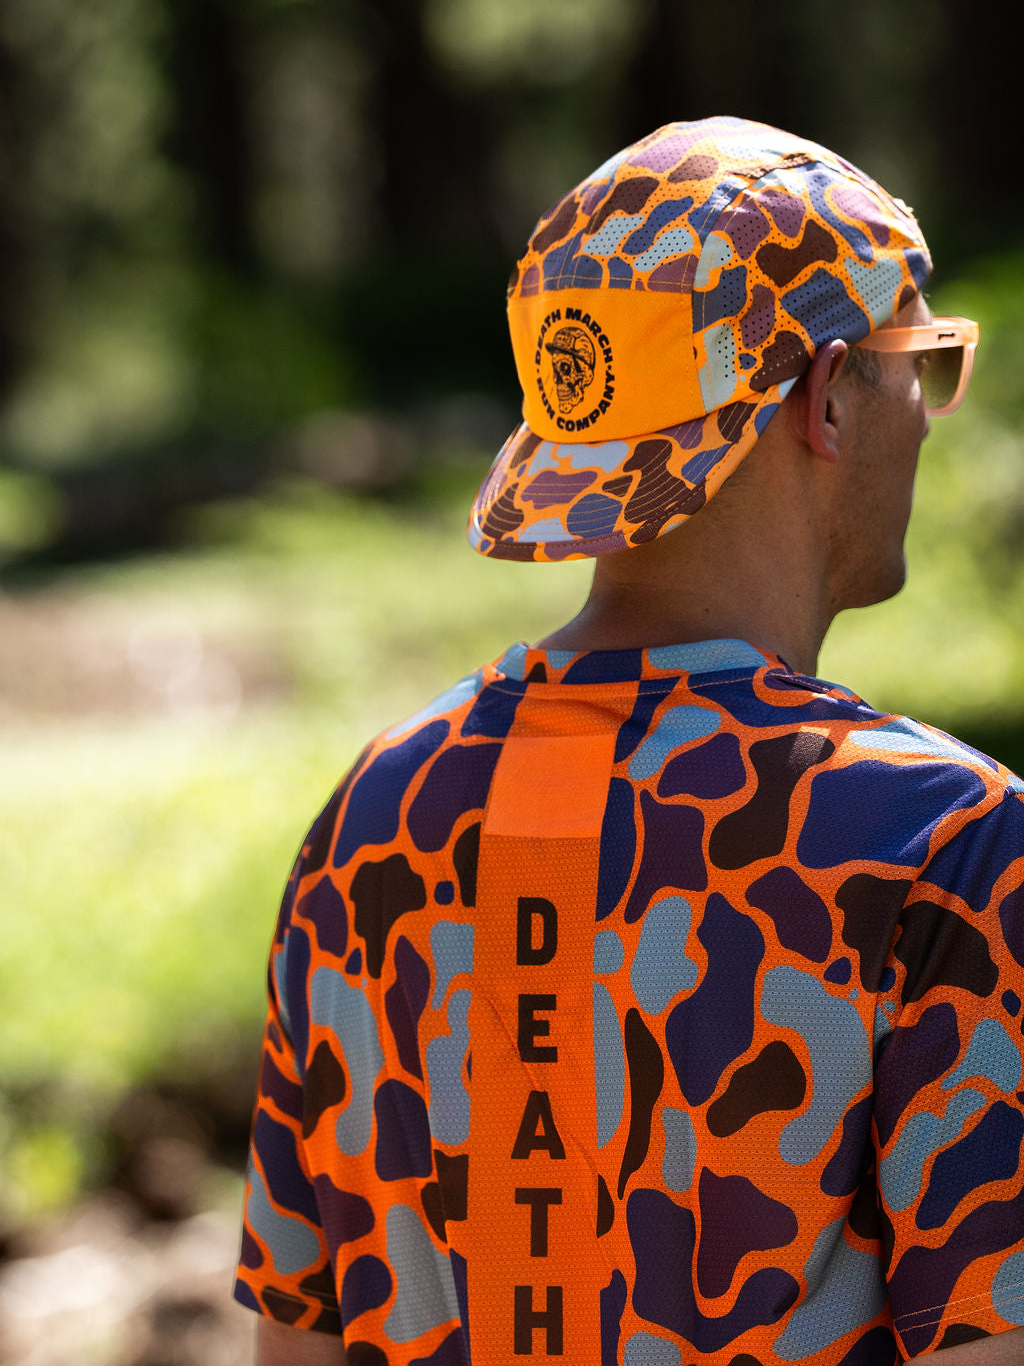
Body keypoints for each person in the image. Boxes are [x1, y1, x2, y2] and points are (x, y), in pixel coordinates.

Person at [233, 117, 1024, 1366]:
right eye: (918, 362)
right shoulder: (940, 845)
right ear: (826, 397)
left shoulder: (374, 819)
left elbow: (297, 1346)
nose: (926, 415)